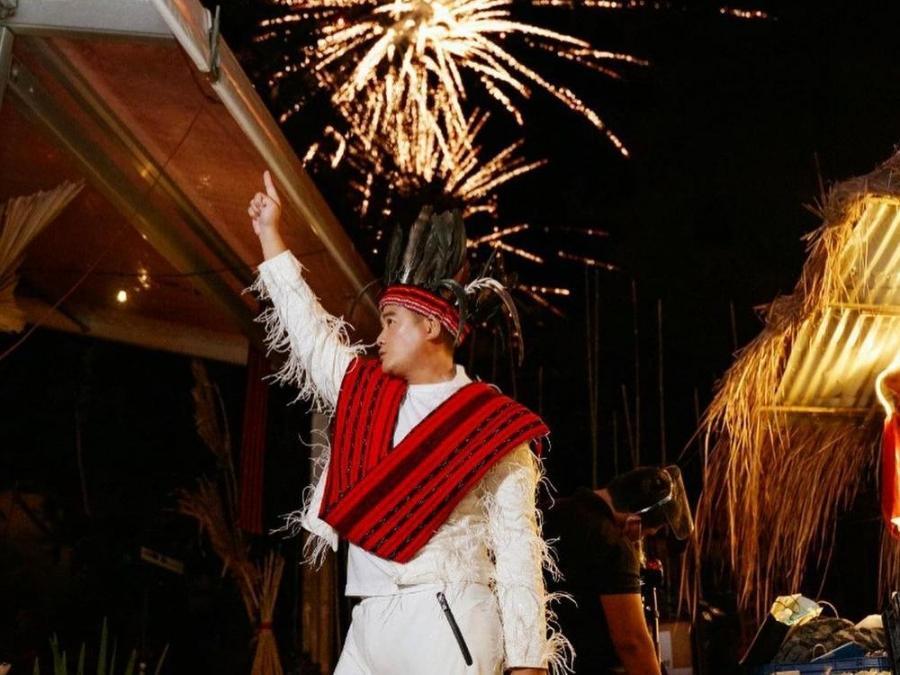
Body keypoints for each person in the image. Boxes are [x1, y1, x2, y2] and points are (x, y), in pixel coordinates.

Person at [247, 172, 570, 675]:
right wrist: (270, 234)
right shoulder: (365, 392)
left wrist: (527, 662)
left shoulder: (494, 425)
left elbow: (516, 547)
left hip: (445, 615)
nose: (378, 336)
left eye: (391, 321)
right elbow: (309, 336)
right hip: (368, 617)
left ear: (431, 326)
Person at [543, 466, 693, 675]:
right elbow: (632, 643)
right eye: (646, 534)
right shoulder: (614, 544)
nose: (640, 541)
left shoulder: (550, 511)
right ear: (635, 522)